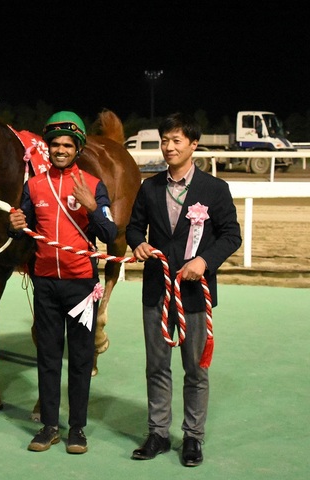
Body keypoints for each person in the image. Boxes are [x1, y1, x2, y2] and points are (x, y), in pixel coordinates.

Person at [126, 113, 241, 467]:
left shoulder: (214, 189)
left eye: (176, 140)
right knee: (157, 366)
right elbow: (134, 228)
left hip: (194, 294)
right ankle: (158, 433)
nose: (169, 147)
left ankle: (193, 437)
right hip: (156, 291)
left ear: (193, 144)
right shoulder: (149, 187)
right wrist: (137, 244)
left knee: (195, 369)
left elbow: (231, 235)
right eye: (165, 140)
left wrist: (204, 261)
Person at [9, 111, 117, 454]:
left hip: (82, 286)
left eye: (68, 145)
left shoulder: (93, 186)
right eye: (55, 144)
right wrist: (16, 225)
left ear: (78, 148)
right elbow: (24, 230)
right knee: (48, 356)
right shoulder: (33, 186)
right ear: (49, 147)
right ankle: (49, 426)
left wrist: (93, 207)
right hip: (45, 284)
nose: (60, 150)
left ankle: (78, 429)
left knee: (81, 359)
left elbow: (110, 233)